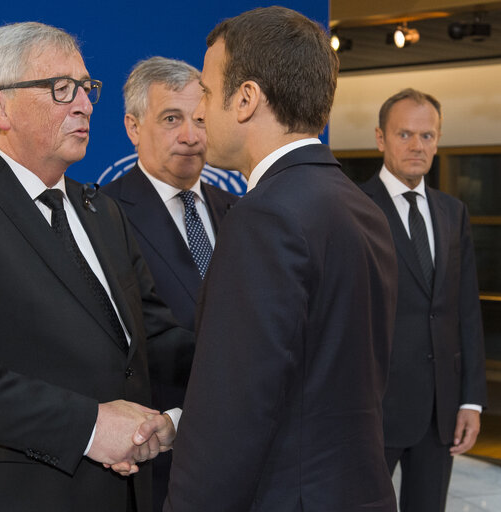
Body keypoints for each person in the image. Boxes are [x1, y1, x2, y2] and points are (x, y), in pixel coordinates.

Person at [0, 22, 192, 512]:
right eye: (61, 89)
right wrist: (91, 427)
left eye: (86, 88)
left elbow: (153, 339)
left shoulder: (102, 210)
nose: (85, 105)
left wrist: (247, 358)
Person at [165, 7, 399, 511]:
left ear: (246, 99)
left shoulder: (264, 217)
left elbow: (233, 412)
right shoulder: (362, 206)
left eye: (206, 92)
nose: (200, 112)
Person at [101, 56, 237, 511]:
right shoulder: (101, 216)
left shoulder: (241, 211)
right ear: (133, 127)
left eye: (200, 119)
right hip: (153, 457)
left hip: (243, 447)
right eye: (172, 119)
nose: (191, 136)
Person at [360, 88, 487, 512]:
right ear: (380, 138)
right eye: (405, 135)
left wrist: (470, 399)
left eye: (428, 136)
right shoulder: (353, 208)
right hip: (371, 409)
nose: (418, 146)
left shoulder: (453, 212)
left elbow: (464, 309)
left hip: (439, 409)